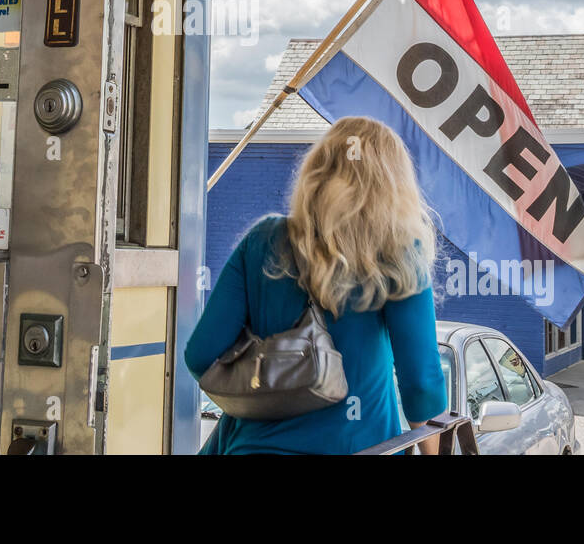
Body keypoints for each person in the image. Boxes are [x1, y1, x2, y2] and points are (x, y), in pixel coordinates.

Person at [186, 116, 449, 454]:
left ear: (317, 173)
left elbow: (201, 355)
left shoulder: (263, 241)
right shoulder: (397, 251)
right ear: (393, 184)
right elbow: (421, 384)